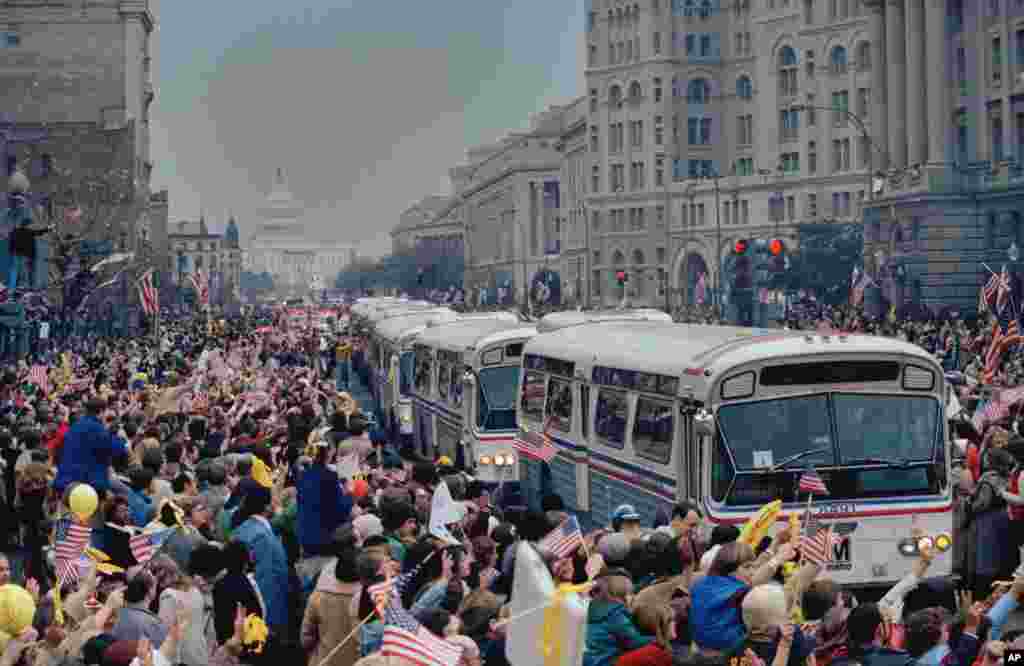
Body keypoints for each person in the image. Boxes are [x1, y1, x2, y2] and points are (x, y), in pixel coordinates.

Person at [54, 399, 128, 496]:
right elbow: (116, 449)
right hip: (86, 484)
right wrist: (122, 438)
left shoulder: (76, 425)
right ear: (101, 412)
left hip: (65, 481)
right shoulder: (96, 428)